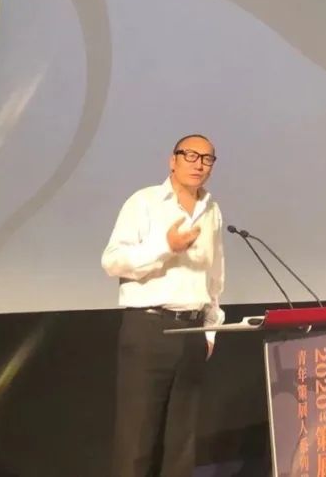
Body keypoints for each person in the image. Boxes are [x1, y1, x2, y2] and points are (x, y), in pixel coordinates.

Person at [101, 134, 226, 477]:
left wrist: (210, 331)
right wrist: (165, 246)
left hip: (193, 331)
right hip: (149, 329)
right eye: (191, 155)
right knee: (137, 441)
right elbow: (112, 261)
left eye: (207, 159)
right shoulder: (143, 202)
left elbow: (215, 275)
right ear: (173, 160)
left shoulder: (211, 210)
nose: (199, 164)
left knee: (181, 443)